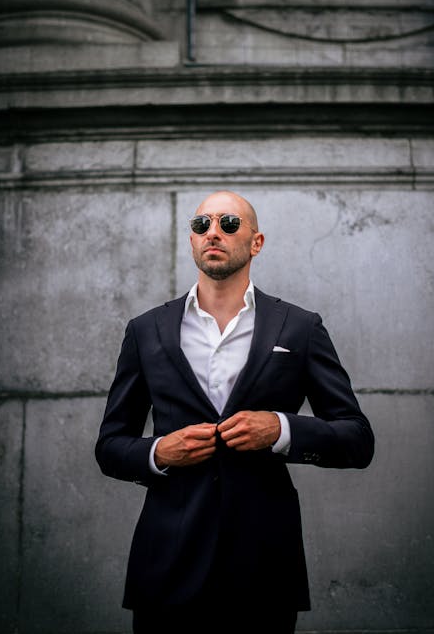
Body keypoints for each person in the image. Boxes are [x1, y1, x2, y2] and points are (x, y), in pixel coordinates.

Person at [95, 189, 375, 634]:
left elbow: (357, 439)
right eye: (201, 224)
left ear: (256, 242)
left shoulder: (300, 327)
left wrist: (281, 429)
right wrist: (158, 453)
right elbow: (110, 447)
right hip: (168, 562)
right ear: (191, 240)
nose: (212, 233)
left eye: (228, 224)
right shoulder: (146, 330)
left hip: (264, 563)